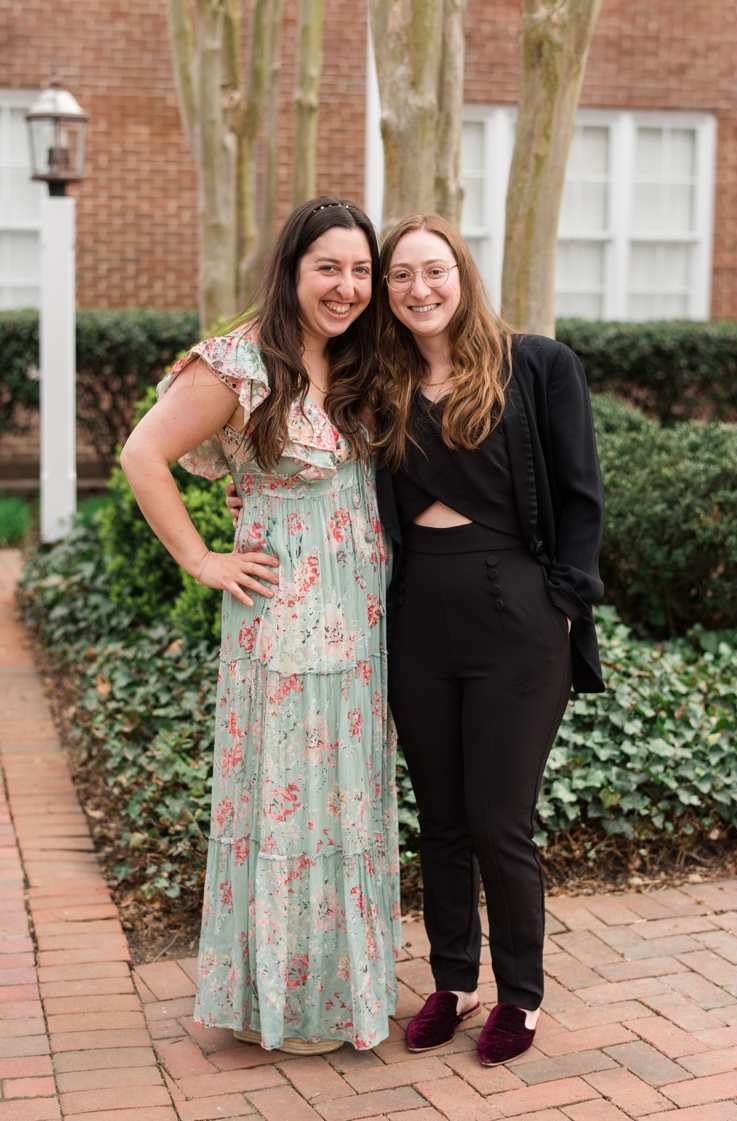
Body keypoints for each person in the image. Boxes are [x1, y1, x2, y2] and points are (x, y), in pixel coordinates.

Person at [120, 197, 398, 1053]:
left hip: (360, 631)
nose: (347, 287)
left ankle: (340, 990)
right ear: (292, 270)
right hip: (282, 629)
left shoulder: (362, 364)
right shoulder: (239, 363)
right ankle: (282, 1000)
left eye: (360, 270)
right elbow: (142, 453)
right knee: (289, 809)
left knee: (347, 808)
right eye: (329, 268)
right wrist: (203, 560)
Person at [370, 213, 605, 1065]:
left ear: (462, 276)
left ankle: (522, 996)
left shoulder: (536, 365)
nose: (419, 289)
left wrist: (567, 604)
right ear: (385, 290)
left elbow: (581, 495)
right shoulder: (377, 383)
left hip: (516, 612)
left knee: (501, 819)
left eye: (434, 271)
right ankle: (453, 979)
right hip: (414, 612)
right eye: (401, 276)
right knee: (440, 819)